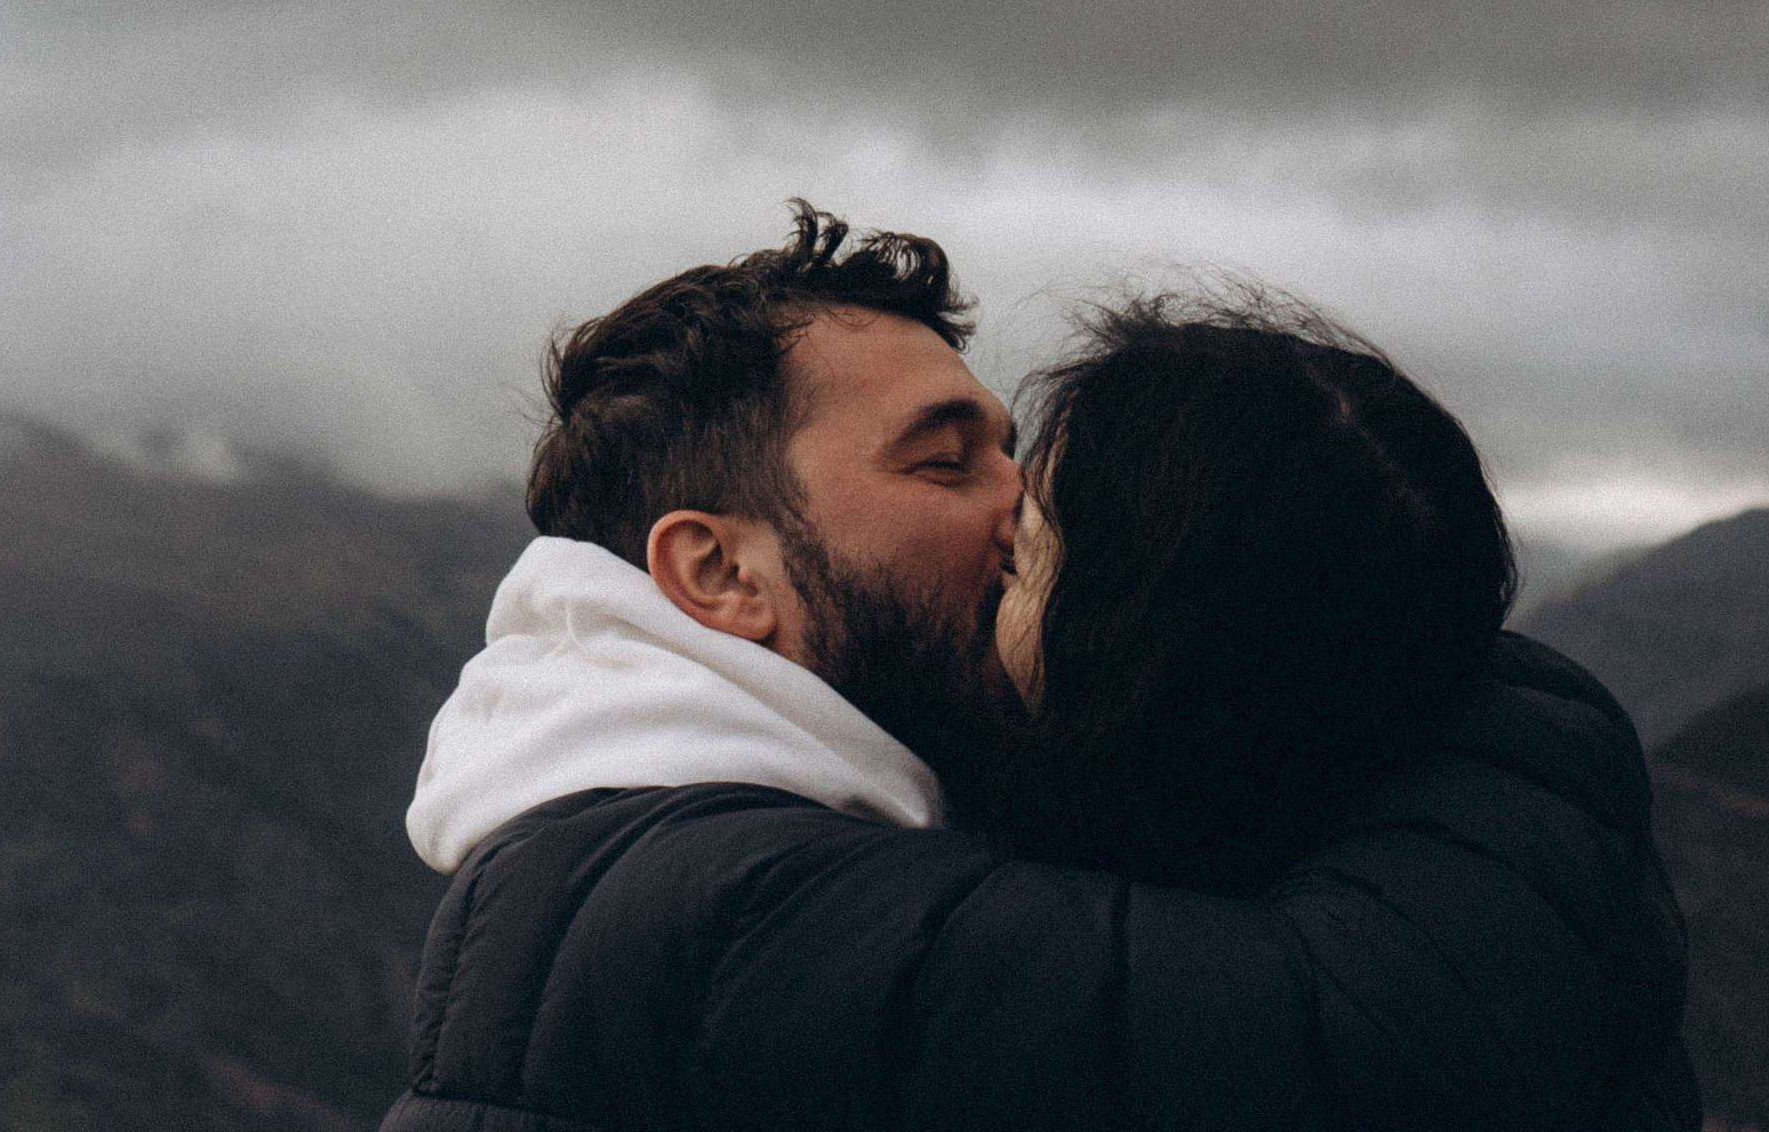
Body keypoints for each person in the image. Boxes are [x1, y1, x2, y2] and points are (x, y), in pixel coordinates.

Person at [384, 203, 1694, 1132]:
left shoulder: (798, 819)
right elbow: (1361, 1043)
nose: (1023, 506)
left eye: (1010, 450)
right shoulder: (720, 901)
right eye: (944, 462)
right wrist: (1421, 645)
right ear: (722, 572)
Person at [989, 294, 1697, 1116]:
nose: (992, 532)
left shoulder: (1280, 1011)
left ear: (1131, 643)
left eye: (1027, 551)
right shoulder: (1371, 764)